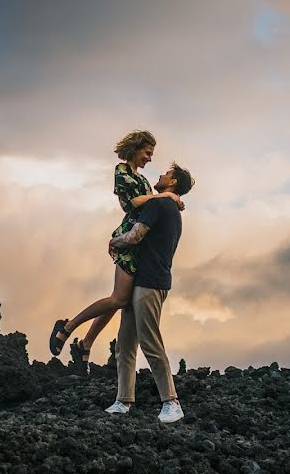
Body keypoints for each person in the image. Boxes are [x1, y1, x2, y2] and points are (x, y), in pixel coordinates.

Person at [49, 130, 184, 366]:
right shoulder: (122, 171)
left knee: (120, 300)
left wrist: (168, 200)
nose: (150, 159)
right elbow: (133, 204)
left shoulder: (143, 180)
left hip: (140, 242)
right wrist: (168, 197)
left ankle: (86, 344)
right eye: (147, 153)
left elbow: (152, 207)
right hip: (128, 238)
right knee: (119, 299)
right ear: (136, 148)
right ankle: (67, 327)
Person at [104, 162, 194, 423]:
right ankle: (123, 400)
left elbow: (135, 236)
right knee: (125, 344)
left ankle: (171, 402)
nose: (161, 175)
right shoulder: (169, 206)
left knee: (149, 342)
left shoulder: (158, 205)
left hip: (150, 282)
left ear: (173, 181)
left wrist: (113, 242)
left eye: (166, 173)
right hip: (146, 280)